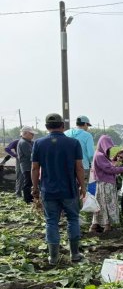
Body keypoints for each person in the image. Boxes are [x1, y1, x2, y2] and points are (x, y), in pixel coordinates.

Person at [31, 113, 86, 265]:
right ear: (63, 126)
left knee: (51, 222)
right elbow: (79, 168)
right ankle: (75, 254)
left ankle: (53, 257)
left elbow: (35, 168)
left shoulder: (39, 143)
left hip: (48, 190)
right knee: (73, 219)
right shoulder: (73, 143)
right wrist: (83, 187)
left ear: (47, 127)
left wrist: (34, 187)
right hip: (69, 189)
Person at [90, 135, 123, 233]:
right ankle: (107, 226)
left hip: (102, 183)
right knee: (107, 204)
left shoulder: (99, 154)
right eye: (108, 147)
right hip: (106, 184)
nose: (109, 149)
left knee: (100, 204)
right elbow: (108, 169)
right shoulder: (100, 156)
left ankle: (95, 225)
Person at [64, 115, 95, 189]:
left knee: (69, 188)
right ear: (85, 124)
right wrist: (90, 162)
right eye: (88, 125)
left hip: (66, 166)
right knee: (82, 189)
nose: (87, 127)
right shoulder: (87, 135)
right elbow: (91, 154)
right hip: (83, 166)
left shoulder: (66, 133)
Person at [15, 127, 36, 203]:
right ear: (25, 133)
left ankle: (31, 198)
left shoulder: (29, 142)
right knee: (28, 182)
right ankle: (27, 200)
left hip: (30, 166)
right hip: (27, 166)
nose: (33, 135)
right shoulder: (23, 142)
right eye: (31, 134)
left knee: (30, 182)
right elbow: (30, 155)